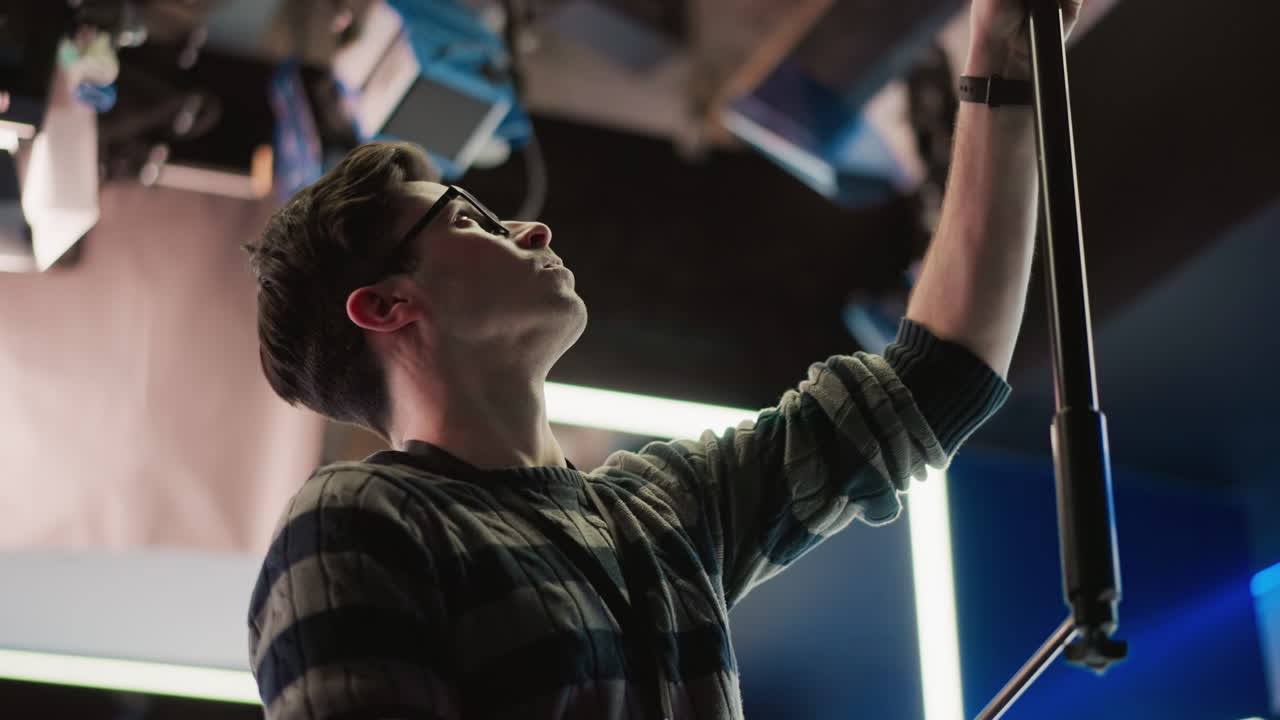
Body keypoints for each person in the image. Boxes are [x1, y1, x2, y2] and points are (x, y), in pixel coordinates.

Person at [244, 0, 1082, 717]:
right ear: (385, 307)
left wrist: (1000, 57)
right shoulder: (359, 520)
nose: (532, 228)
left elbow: (939, 380)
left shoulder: (660, 516)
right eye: (471, 222)